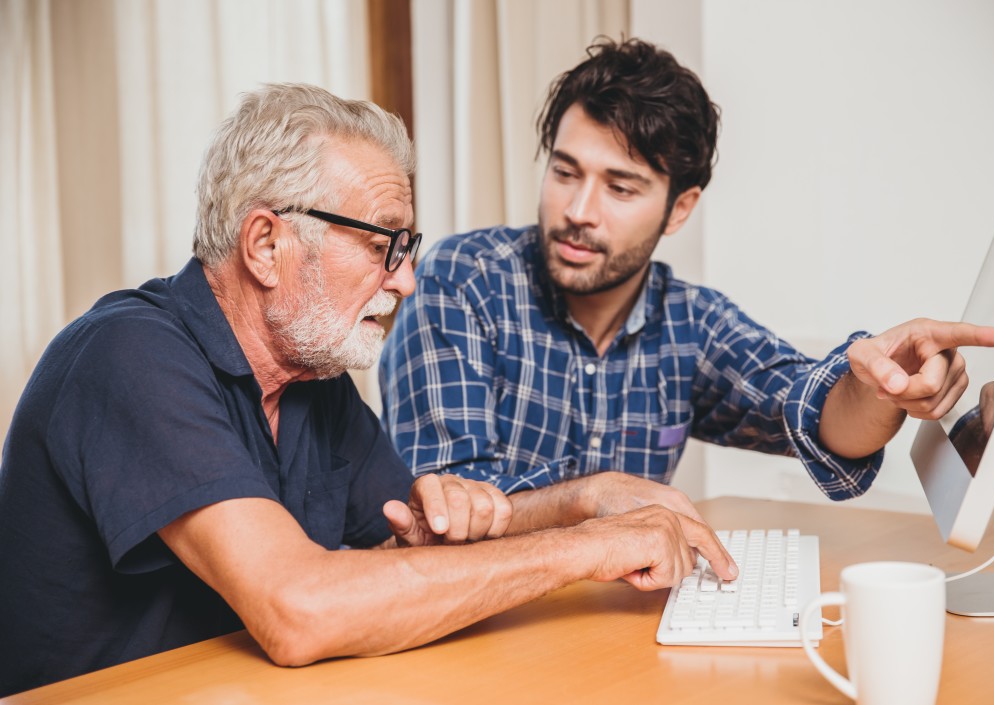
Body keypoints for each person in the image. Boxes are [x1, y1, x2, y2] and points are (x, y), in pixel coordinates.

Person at [0, 83, 737, 697]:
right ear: (266, 244)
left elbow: (415, 552)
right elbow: (301, 609)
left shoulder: (312, 382)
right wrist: (585, 548)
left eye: (407, 247)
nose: (406, 279)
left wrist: (581, 500)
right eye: (383, 242)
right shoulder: (129, 355)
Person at [378, 37, 994, 531]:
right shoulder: (457, 283)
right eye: (565, 173)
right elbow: (446, 511)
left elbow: (815, 414)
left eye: (620, 187)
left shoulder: (689, 322)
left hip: (605, 638)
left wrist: (884, 383)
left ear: (679, 209)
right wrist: (594, 502)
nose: (579, 209)